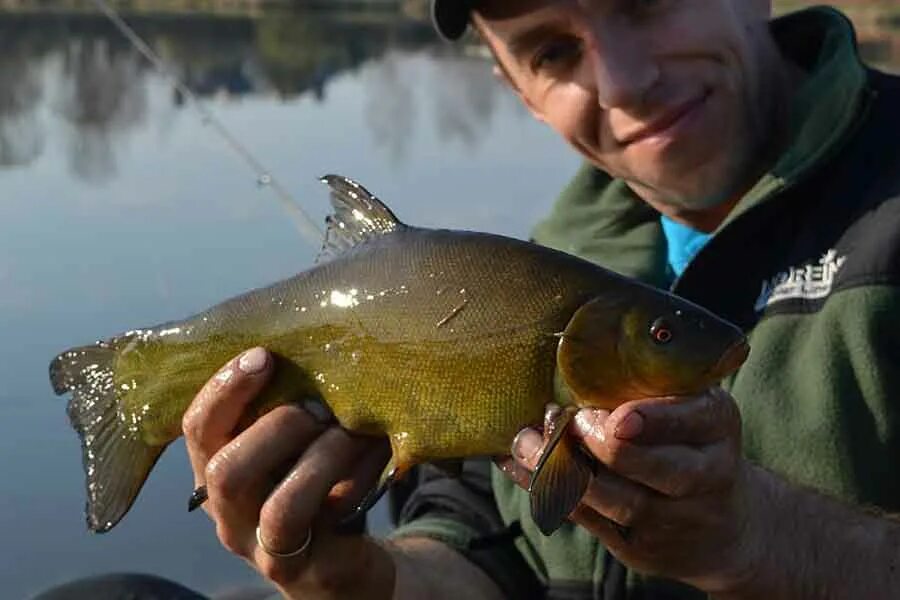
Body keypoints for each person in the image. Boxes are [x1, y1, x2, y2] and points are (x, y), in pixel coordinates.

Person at [34, 1, 900, 599]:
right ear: (516, 89)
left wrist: (760, 540)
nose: (626, 79)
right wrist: (357, 581)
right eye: (552, 51)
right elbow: (482, 553)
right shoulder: (548, 258)